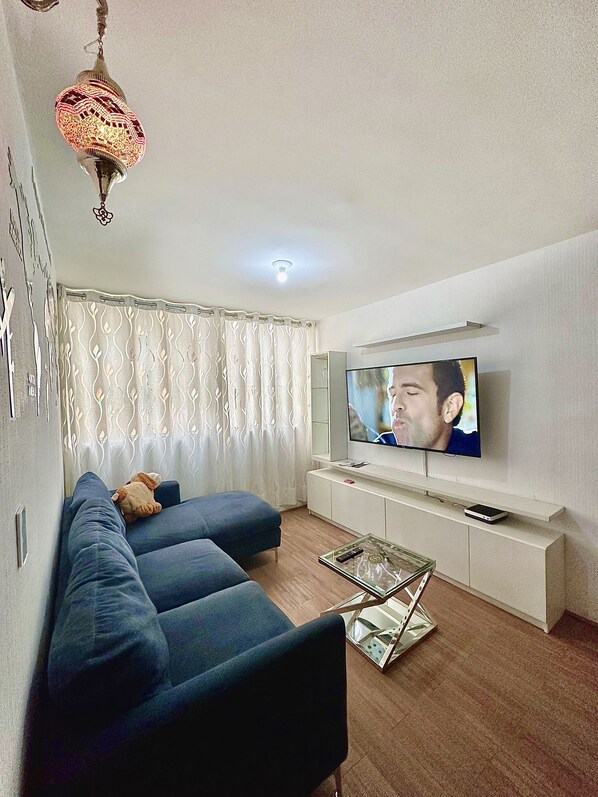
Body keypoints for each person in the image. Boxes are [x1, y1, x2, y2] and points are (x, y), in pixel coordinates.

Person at [374, 360, 479, 455]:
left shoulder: (479, 448)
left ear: (450, 407)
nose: (395, 405)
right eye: (392, 394)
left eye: (411, 392)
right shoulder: (380, 449)